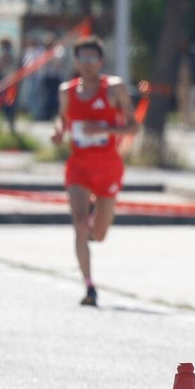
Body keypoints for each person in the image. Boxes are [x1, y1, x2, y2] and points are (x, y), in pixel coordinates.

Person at [52, 38, 135, 307]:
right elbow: (62, 119)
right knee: (78, 224)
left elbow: (134, 127)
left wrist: (103, 129)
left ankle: (92, 222)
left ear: (101, 61)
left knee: (99, 235)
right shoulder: (66, 91)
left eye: (92, 59)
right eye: (82, 59)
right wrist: (58, 132)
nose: (87, 64)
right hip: (78, 166)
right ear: (75, 62)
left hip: (108, 166)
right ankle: (89, 286)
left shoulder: (114, 89)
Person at [0, 36, 19, 130]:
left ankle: (8, 119)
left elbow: (0, 64)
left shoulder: (6, 53)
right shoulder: (11, 53)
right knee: (6, 100)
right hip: (9, 79)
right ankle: (7, 119)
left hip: (5, 79)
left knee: (5, 100)